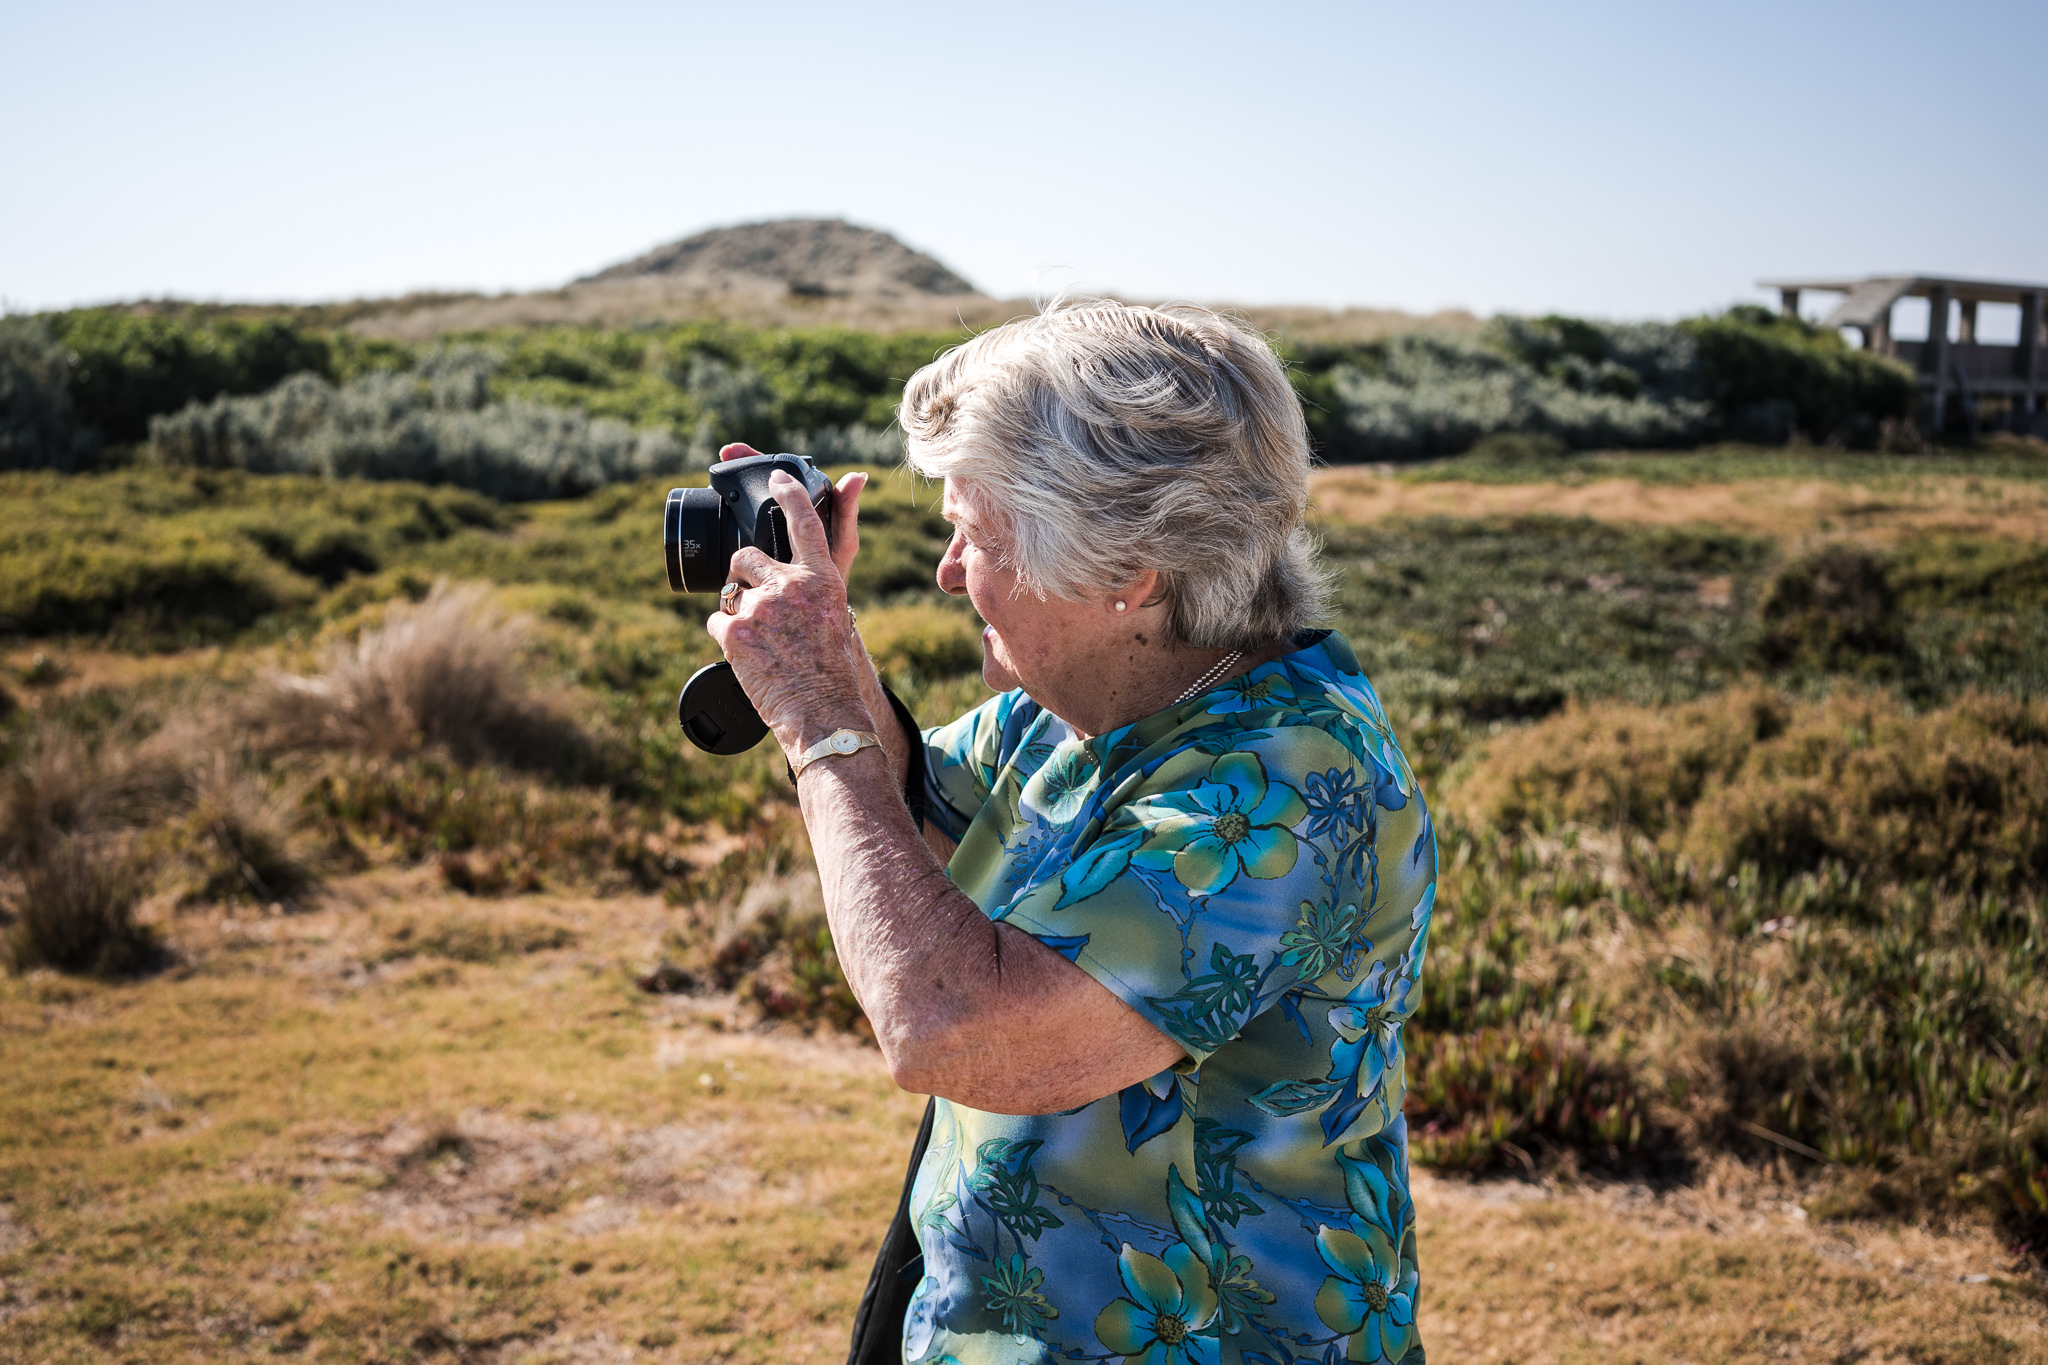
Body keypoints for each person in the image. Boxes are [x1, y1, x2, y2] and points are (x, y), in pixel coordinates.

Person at [707, 300, 1434, 1365]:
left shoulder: (1280, 783)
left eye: (974, 535)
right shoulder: (1082, 709)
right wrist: (820, 641)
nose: (949, 574)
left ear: (1122, 573)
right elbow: (907, 828)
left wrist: (819, 719)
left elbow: (953, 1022)